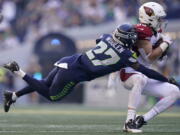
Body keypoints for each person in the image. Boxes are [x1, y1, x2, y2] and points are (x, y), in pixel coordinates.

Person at [3, 24, 172, 118]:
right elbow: (146, 71)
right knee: (52, 95)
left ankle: (13, 96)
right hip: (75, 73)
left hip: (69, 60)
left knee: (45, 83)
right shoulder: (126, 56)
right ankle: (18, 71)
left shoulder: (106, 37)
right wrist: (166, 79)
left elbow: (101, 39)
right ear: (126, 40)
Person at [108, 2, 180, 133]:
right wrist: (165, 44)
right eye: (159, 18)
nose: (161, 21)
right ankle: (129, 122)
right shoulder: (142, 31)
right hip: (129, 72)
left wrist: (162, 50)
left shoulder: (154, 30)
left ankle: (141, 119)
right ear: (149, 18)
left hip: (144, 73)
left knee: (174, 92)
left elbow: (154, 58)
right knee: (140, 79)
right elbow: (150, 57)